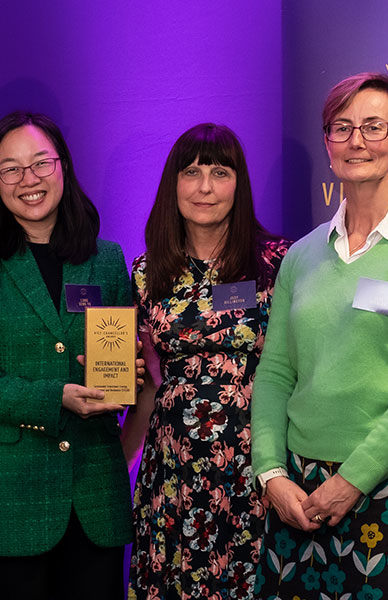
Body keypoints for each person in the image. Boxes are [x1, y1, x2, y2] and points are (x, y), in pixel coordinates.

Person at [250, 73, 388, 599]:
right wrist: (271, 474)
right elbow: (276, 372)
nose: (357, 141)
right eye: (342, 127)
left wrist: (350, 482)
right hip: (297, 492)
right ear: (327, 142)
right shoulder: (302, 255)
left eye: (374, 127)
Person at [0, 111, 132, 600]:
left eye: (41, 163)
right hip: (8, 494)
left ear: (63, 167)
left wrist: (128, 368)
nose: (29, 180)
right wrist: (57, 397)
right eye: (11, 169)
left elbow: (118, 360)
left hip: (94, 490)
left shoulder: (106, 258)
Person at [121, 123, 289, 599]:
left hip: (254, 468)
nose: (205, 188)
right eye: (191, 172)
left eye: (220, 172)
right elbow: (144, 383)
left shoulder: (277, 262)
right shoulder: (146, 272)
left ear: (240, 183)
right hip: (171, 471)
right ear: (172, 182)